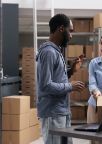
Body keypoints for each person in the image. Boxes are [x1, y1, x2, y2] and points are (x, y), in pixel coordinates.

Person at [36, 14, 85, 144]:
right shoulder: (49, 52)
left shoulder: (56, 51)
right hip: (53, 113)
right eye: (70, 31)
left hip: (61, 111)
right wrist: (70, 86)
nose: (71, 35)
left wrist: (71, 70)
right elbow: (45, 85)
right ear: (61, 29)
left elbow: (56, 78)